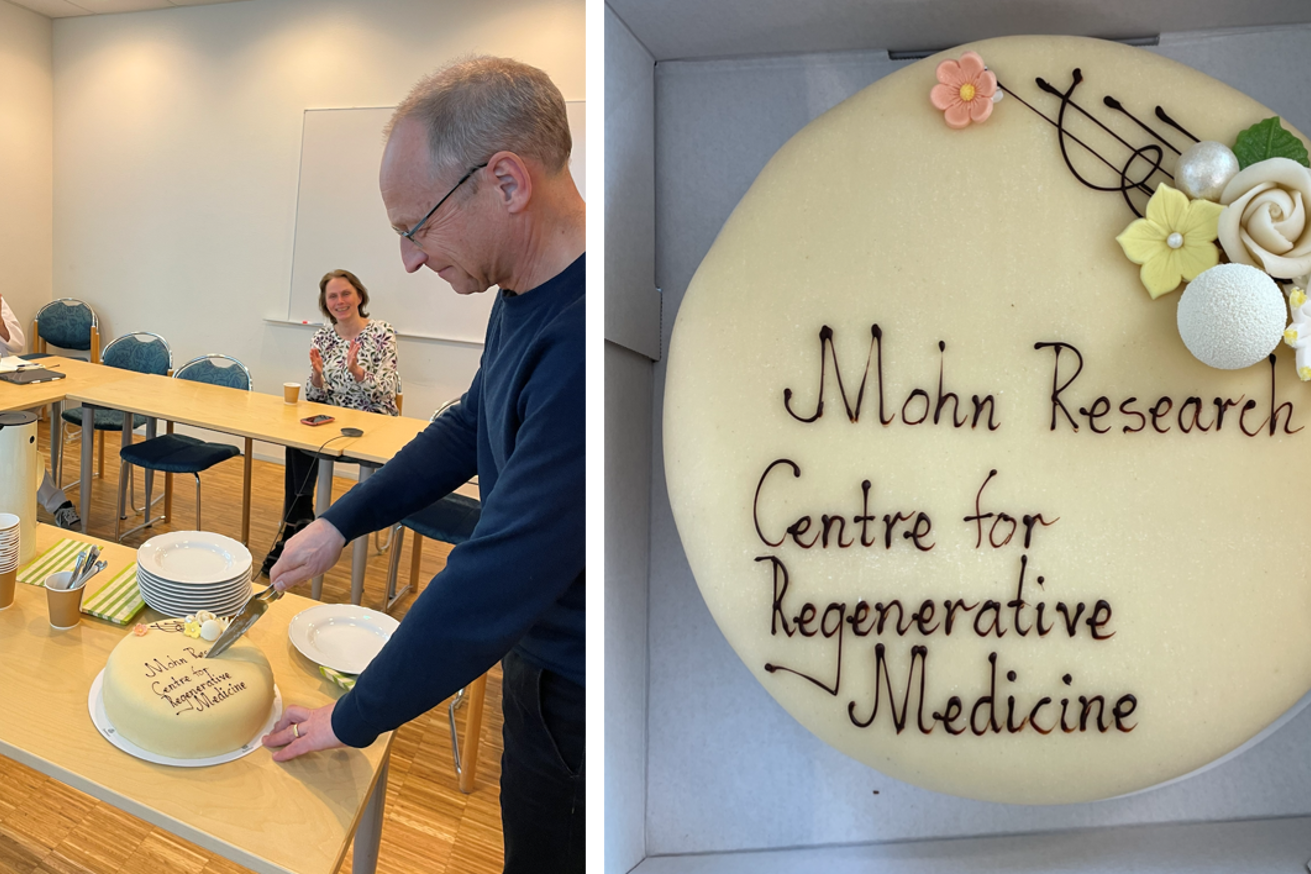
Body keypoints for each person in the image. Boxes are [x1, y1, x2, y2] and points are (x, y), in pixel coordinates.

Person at [262, 56, 585, 873]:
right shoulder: (524, 286)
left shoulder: (588, 337)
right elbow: (468, 424)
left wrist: (351, 717)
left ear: (506, 182)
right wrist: (340, 521)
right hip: (541, 654)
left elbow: (499, 571)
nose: (407, 260)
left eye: (417, 227)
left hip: (579, 689)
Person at [260, 269, 399, 576]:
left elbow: (388, 391)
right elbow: (315, 397)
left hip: (374, 422)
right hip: (333, 420)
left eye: (346, 293)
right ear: (326, 303)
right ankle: (298, 519)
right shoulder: (323, 336)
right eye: (332, 296)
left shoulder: (381, 332)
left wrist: (357, 372)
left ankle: (303, 526)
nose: (340, 301)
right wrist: (317, 376)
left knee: (315, 448)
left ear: (359, 296)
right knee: (296, 439)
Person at [0, 293, 81, 529]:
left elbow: (17, 343)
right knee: (15, 443)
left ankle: (47, 504)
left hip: (7, 384)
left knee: (16, 438)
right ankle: (55, 503)